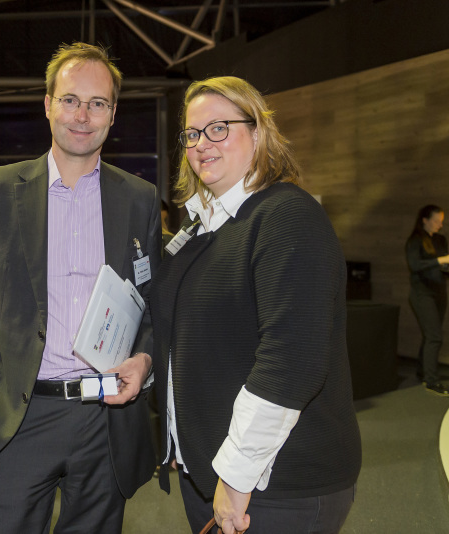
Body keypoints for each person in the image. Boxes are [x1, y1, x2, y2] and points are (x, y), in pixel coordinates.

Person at [0, 42, 159, 534]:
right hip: (18, 417)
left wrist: (145, 359)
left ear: (113, 114)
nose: (82, 116)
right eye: (70, 100)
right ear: (47, 105)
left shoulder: (139, 198)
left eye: (97, 103)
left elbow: (150, 304)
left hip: (106, 420)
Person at [150, 76, 361, 534]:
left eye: (219, 128)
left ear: (258, 132)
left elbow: (291, 362)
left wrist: (235, 477)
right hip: (210, 475)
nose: (202, 143)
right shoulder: (204, 226)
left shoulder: (286, 216)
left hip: (275, 488)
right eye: (192, 133)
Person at [406, 205, 449, 395]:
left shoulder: (440, 240)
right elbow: (415, 265)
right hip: (422, 294)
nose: (440, 225)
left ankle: (422, 371)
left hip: (439, 293)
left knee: (431, 335)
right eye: (436, 221)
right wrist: (440, 261)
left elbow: (444, 267)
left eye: (441, 221)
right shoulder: (415, 240)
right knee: (434, 336)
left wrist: (445, 265)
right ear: (425, 220)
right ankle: (431, 380)